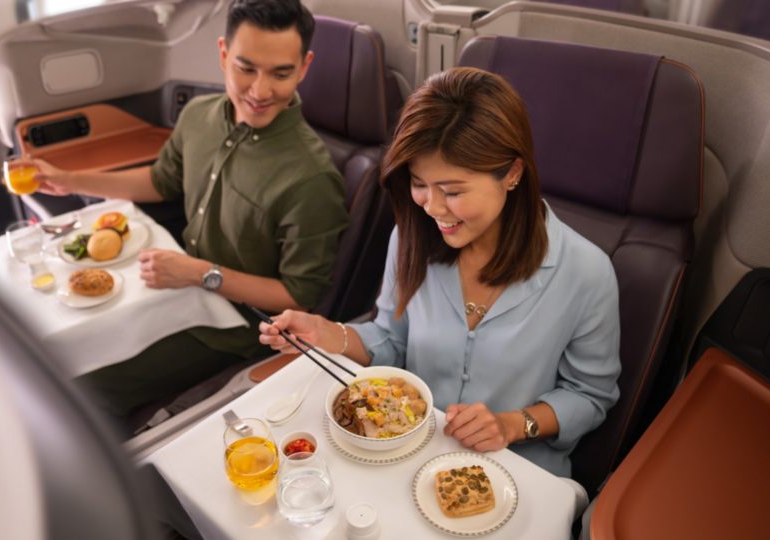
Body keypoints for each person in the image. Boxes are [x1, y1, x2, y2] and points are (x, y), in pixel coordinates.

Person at [259, 67, 621, 477]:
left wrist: (511, 424)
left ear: (513, 173)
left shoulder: (586, 273)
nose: (431, 207)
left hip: (515, 471)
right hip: (410, 449)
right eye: (418, 184)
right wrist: (329, 333)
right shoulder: (411, 237)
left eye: (452, 191)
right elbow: (392, 342)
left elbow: (590, 396)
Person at [32, 0, 348, 418]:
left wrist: (201, 274)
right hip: (175, 284)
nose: (259, 90)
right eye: (245, 68)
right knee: (44, 341)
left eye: (281, 73)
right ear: (222, 54)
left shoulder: (311, 178)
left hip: (233, 328)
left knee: (80, 388)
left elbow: (297, 298)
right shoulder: (198, 116)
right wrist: (71, 180)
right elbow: (161, 181)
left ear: (304, 67)